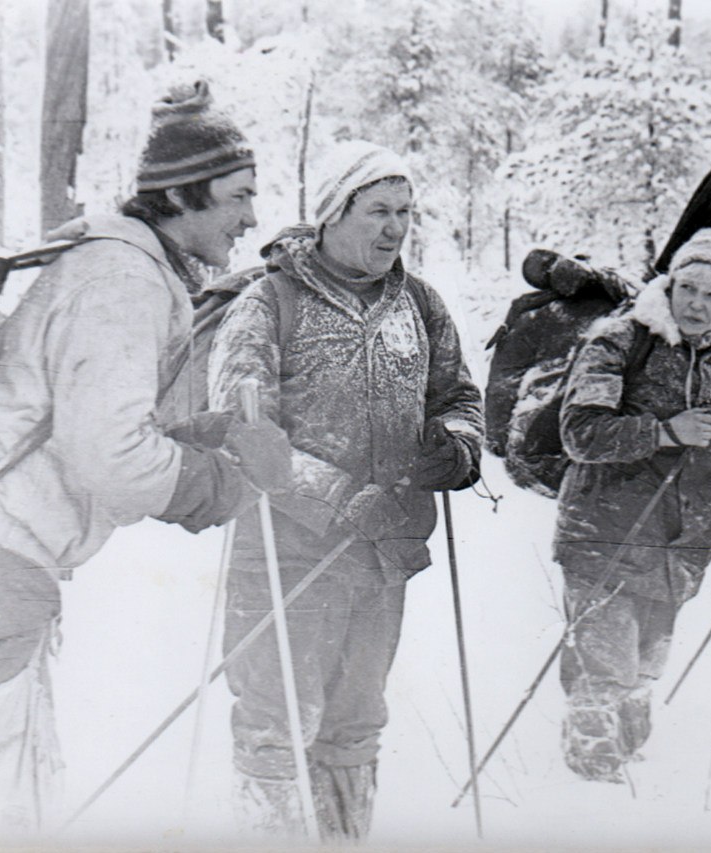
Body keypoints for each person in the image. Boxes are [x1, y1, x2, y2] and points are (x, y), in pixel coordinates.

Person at [0, 80, 291, 840]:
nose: (252, 216)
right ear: (182, 196)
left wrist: (210, 433)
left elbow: (86, 424)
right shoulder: (123, 279)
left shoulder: (120, 266)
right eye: (238, 194)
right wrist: (226, 482)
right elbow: (111, 456)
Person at [207, 140, 484, 841]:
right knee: (277, 728)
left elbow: (459, 397)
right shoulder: (269, 300)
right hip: (284, 560)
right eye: (378, 211)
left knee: (356, 725)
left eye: (406, 213)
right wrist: (339, 497)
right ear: (333, 212)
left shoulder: (420, 302)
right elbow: (246, 428)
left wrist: (454, 448)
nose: (395, 228)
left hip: (383, 563)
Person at [551, 231, 711, 783]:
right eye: (687, 288)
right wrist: (665, 432)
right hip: (604, 534)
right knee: (606, 667)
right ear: (668, 287)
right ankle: (590, 787)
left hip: (681, 546)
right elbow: (579, 432)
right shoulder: (620, 339)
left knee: (644, 667)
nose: (696, 304)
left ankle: (627, 769)